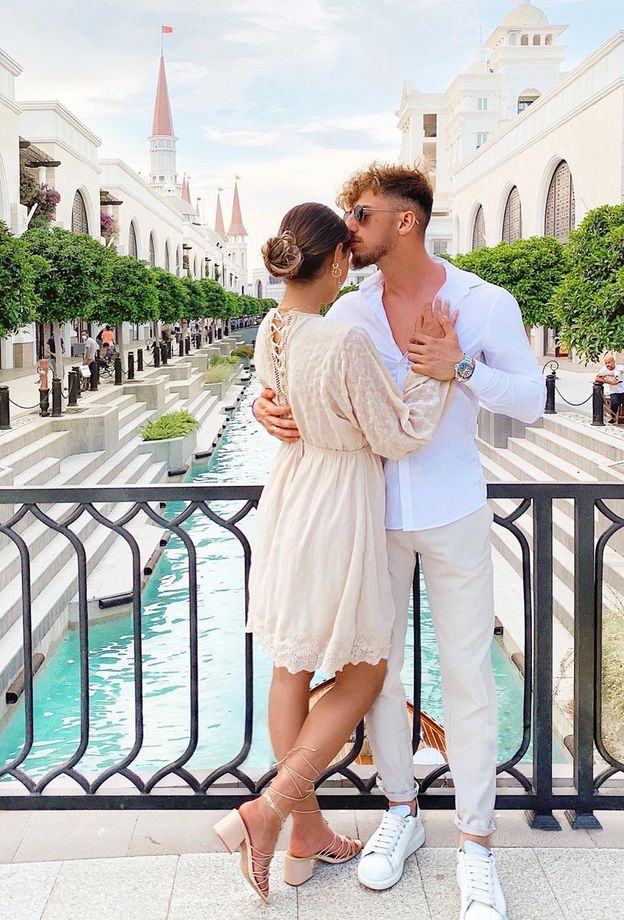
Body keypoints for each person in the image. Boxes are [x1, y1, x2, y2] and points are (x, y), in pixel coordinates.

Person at [255, 164, 545, 920]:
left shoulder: (485, 302)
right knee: (376, 676)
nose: (347, 226)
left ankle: (477, 846)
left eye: (359, 212)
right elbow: (302, 386)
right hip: (367, 516)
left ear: (405, 218)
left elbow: (533, 399)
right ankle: (401, 814)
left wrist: (462, 367)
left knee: (468, 678)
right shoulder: (347, 315)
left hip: (452, 509)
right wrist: (266, 407)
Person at [213, 202, 454, 904]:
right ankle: (271, 810)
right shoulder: (339, 340)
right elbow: (400, 431)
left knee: (292, 667)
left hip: (289, 497)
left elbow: (277, 398)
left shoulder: (272, 328)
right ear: (340, 262)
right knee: (365, 666)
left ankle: (305, 835)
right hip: (340, 502)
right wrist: (436, 367)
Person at [595, 352, 624, 424]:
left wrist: (605, 374)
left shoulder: (620, 367)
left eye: (609, 362)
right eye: (606, 363)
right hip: (615, 392)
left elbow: (619, 372)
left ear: (614, 362)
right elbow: (597, 378)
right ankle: (613, 417)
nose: (607, 365)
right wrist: (610, 382)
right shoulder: (603, 369)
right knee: (614, 403)